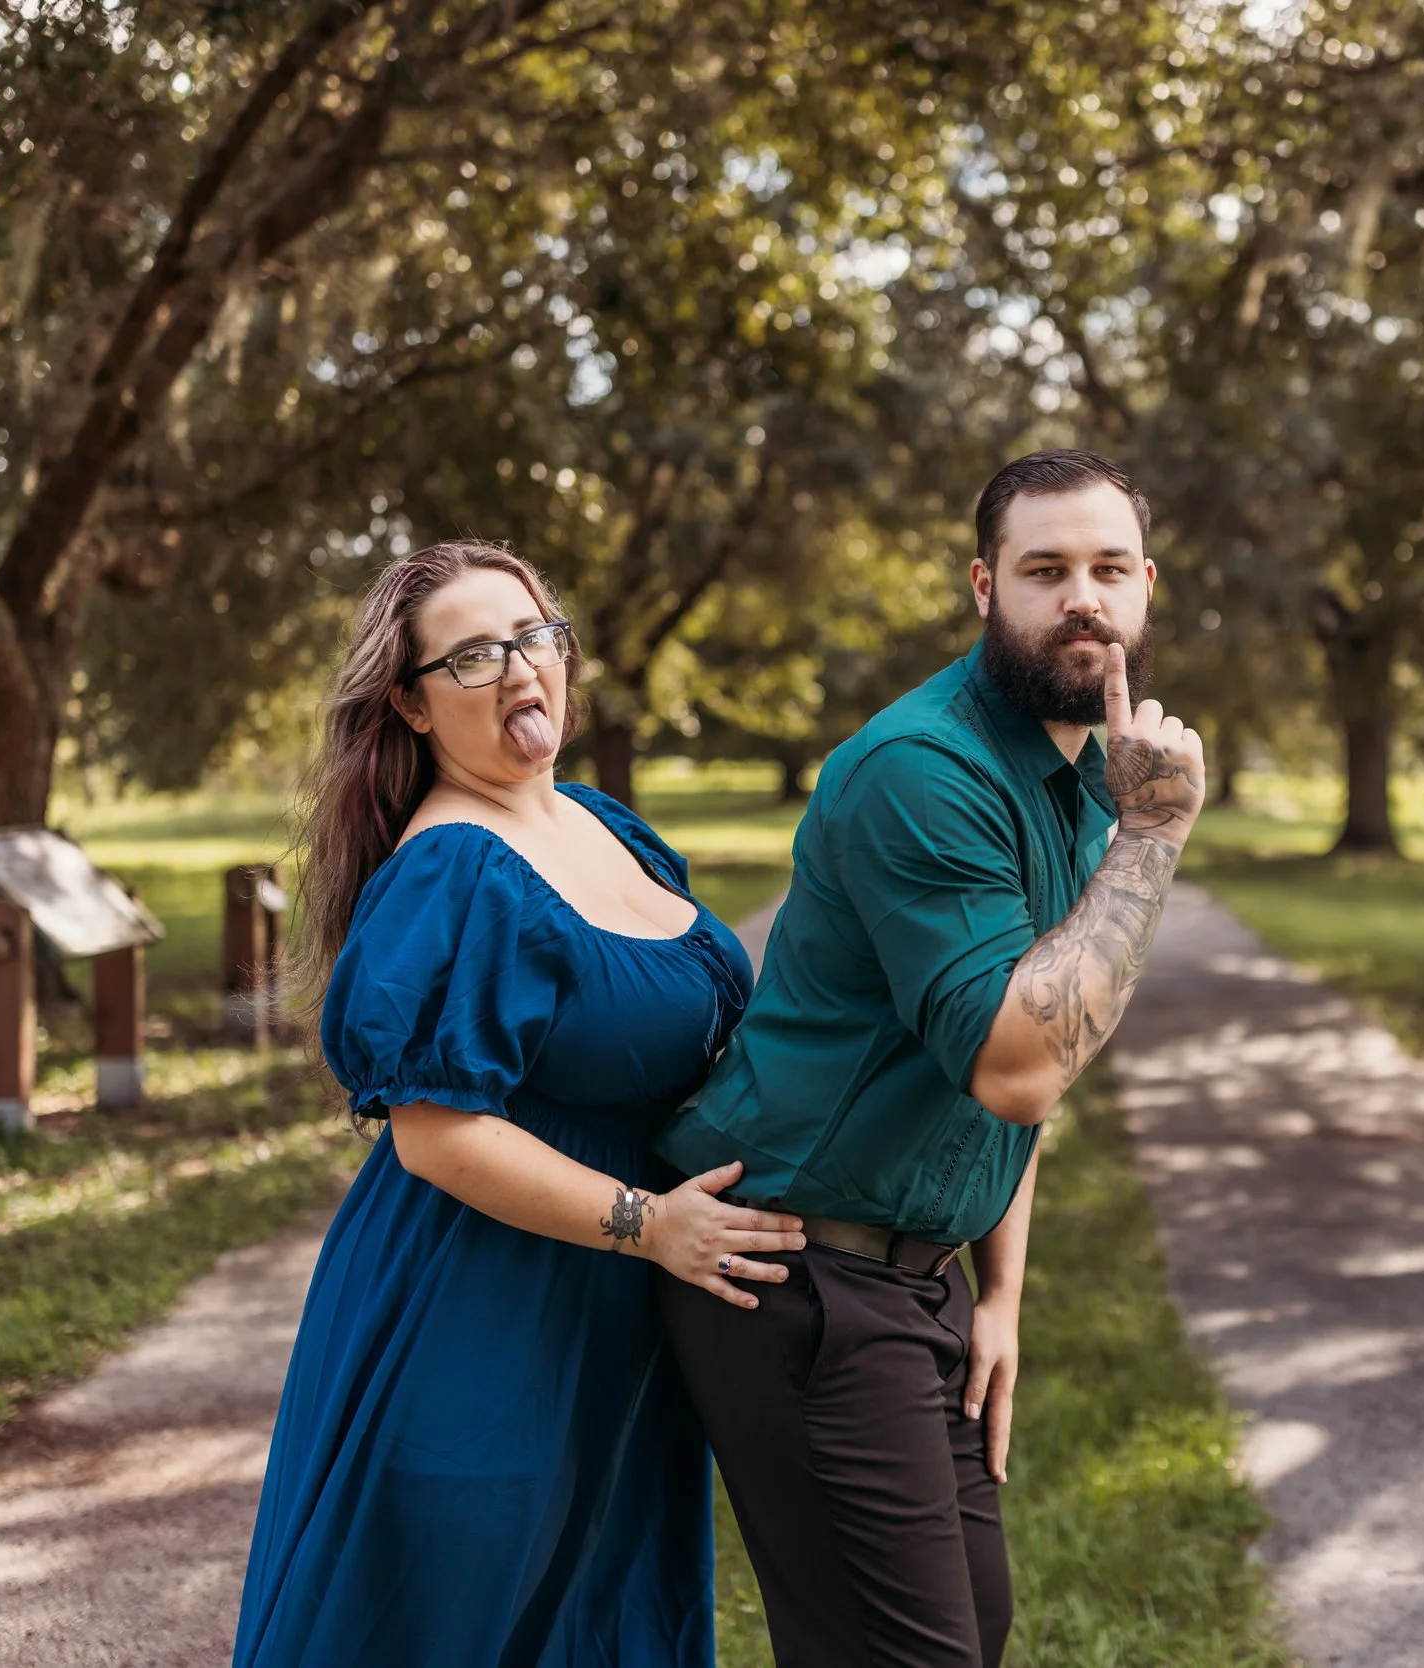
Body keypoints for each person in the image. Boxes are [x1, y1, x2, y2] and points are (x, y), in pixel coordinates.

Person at [655, 449, 1208, 1668]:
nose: (1084, 599)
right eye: (1044, 570)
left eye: (1109, 569)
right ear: (982, 585)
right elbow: (1018, 1063)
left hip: (915, 1281)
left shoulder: (1081, 779)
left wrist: (999, 1295)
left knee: (973, 1628)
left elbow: (1025, 1086)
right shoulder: (925, 772)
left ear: (1146, 587)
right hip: (792, 1272)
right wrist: (1157, 835)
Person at [232, 539, 806, 1668]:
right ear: (409, 704)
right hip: (481, 1307)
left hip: (620, 1310)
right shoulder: (452, 866)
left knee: (599, 1610)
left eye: (535, 637)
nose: (519, 671)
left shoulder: (604, 825)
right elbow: (437, 1137)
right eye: (474, 656)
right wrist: (651, 1224)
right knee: (453, 1613)